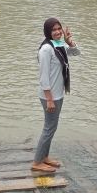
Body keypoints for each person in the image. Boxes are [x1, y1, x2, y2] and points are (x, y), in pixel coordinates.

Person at [31, 18, 80, 172]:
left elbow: (76, 52)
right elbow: (44, 77)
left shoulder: (59, 45)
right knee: (50, 127)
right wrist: (49, 100)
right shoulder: (46, 49)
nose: (58, 32)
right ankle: (37, 162)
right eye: (54, 30)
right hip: (49, 96)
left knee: (52, 126)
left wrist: (69, 41)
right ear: (47, 32)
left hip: (58, 94)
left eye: (59, 28)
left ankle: (44, 156)